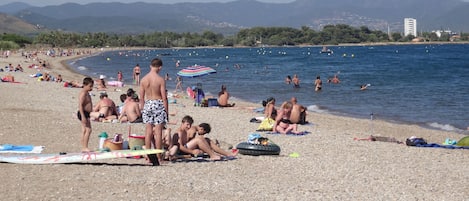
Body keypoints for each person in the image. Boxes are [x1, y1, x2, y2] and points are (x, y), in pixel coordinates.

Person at [139, 58, 168, 164]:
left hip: (148, 103)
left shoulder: (143, 79)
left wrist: (142, 109)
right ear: (160, 67)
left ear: (150, 66)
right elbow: (164, 97)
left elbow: (141, 98)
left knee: (148, 131)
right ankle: (158, 157)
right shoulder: (160, 80)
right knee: (158, 132)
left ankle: (148, 156)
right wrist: (166, 111)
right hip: (158, 103)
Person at [77, 77, 94, 152]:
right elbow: (80, 105)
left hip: (86, 113)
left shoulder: (87, 93)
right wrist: (83, 116)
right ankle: (85, 147)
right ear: (84, 85)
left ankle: (83, 146)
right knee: (88, 130)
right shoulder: (83, 93)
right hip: (83, 113)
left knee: (84, 130)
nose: (91, 88)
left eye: (92, 86)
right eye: (90, 86)